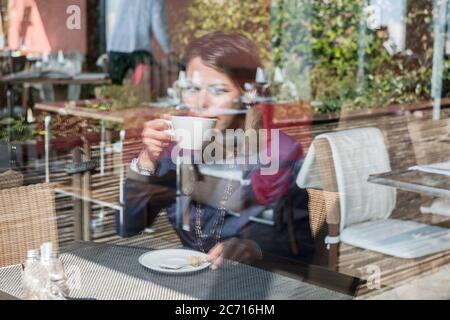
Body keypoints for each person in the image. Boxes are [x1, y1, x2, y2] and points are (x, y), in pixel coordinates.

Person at [121, 32, 311, 269]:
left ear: (247, 95)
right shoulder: (176, 152)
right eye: (192, 88)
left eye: (218, 90)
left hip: (257, 284)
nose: (201, 102)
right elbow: (128, 226)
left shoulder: (279, 154)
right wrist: (147, 160)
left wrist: (254, 249)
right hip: (187, 278)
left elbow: (303, 245)